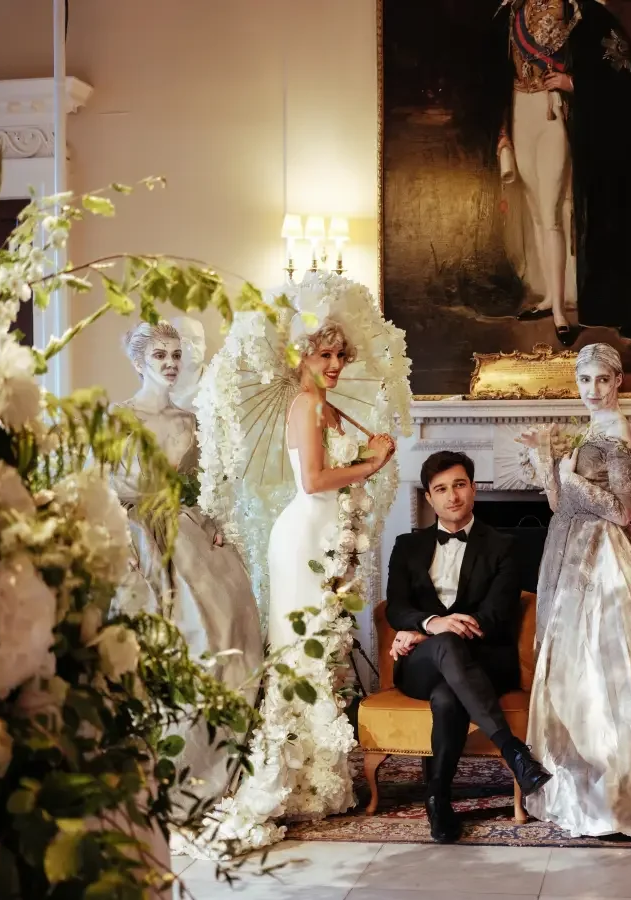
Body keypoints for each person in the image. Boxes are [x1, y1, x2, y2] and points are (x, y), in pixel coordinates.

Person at [199, 316, 398, 856]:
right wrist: (372, 462)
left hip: (320, 536)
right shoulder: (306, 406)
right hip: (302, 536)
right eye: (324, 356)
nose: (334, 366)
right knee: (300, 653)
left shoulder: (326, 407)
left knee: (321, 647)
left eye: (340, 357)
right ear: (301, 359)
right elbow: (312, 481)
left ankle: (317, 778)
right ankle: (288, 777)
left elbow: (332, 475)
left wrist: (366, 458)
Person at [519, 343, 631, 850]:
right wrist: (545, 458)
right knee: (577, 673)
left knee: (612, 670)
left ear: (618, 382)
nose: (593, 390)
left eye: (602, 380)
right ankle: (588, 792)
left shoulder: (618, 430)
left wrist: (571, 476)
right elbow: (559, 504)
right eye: (585, 381)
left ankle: (630, 799)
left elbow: (622, 510)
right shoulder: (587, 431)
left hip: (607, 560)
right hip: (571, 553)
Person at [112, 320, 264, 810]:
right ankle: (163, 771)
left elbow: (201, 484)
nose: (171, 364)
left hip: (186, 530)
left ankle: (213, 762)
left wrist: (213, 519)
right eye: (160, 356)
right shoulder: (119, 417)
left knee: (229, 626)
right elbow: (102, 485)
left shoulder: (188, 421)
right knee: (172, 644)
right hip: (137, 533)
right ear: (138, 362)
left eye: (176, 355)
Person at [385, 450, 552, 844]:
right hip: (420, 663)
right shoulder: (407, 545)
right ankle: (514, 753)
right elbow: (397, 607)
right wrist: (431, 625)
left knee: (448, 697)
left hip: (484, 658)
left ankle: (438, 799)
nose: (452, 496)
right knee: (443, 663)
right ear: (428, 498)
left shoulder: (504, 545)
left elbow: (494, 615)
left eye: (459, 485)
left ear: (474, 489)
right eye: (441, 489)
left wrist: (430, 630)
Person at [496, 0, 631, 345]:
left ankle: (560, 310)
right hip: (520, 113)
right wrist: (500, 131)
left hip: (555, 114)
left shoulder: (583, 13)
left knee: (551, 213)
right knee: (535, 210)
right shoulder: (511, 12)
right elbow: (497, 75)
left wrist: (571, 82)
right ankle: (549, 296)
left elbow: (617, 75)